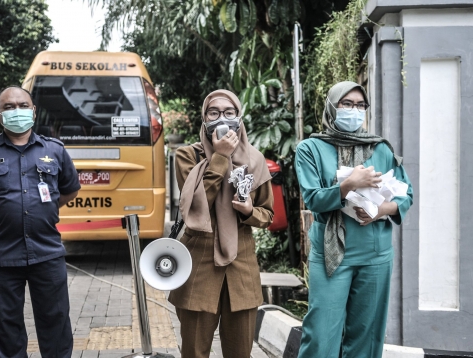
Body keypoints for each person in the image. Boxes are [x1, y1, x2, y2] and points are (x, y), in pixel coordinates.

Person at [0, 86, 80, 358]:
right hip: (2, 256)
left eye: (23, 105)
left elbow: (69, 190)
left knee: (56, 326)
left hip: (47, 253)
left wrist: (43, 208)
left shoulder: (55, 151)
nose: (17, 111)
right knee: (5, 330)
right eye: (9, 107)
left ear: (33, 111)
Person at [294, 81, 413, 358]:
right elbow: (313, 199)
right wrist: (349, 184)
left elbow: (406, 195)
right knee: (321, 336)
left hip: (375, 254)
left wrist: (382, 210)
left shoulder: (380, 148)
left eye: (360, 105)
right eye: (347, 104)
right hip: (331, 255)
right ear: (332, 107)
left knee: (367, 336)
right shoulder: (310, 148)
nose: (354, 110)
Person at [168, 89, 274, 358]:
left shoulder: (255, 159)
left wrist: (250, 211)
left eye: (229, 112)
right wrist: (219, 157)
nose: (221, 118)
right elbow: (195, 204)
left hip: (242, 265)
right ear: (204, 119)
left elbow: (267, 214)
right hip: (199, 263)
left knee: (240, 352)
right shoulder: (187, 156)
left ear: (239, 118)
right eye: (214, 112)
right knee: (193, 351)